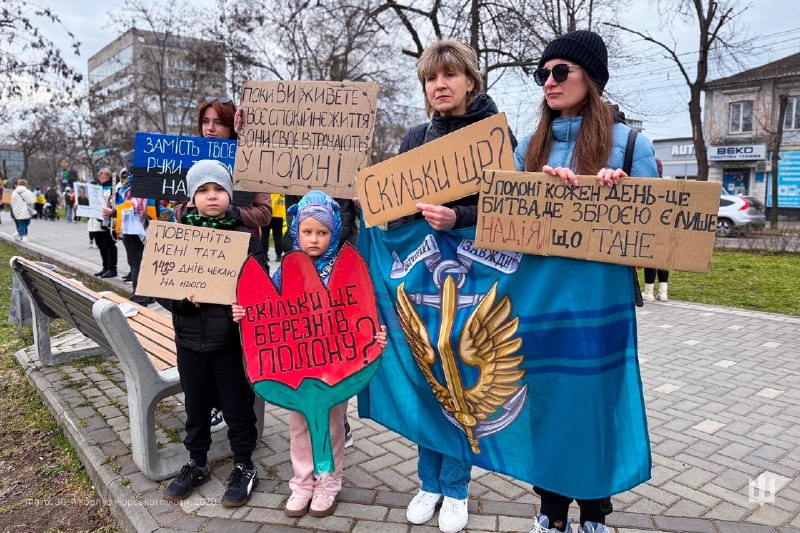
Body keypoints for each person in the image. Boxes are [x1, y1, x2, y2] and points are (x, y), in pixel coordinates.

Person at [515, 30, 657, 533]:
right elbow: (503, 226)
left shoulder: (632, 145)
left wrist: (624, 193)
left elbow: (656, 232)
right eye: (542, 74)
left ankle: (595, 511)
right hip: (541, 300)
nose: (549, 82)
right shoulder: (526, 147)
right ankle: (551, 509)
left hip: (601, 303)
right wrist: (536, 190)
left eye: (560, 71)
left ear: (591, 79)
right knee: (546, 399)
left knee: (597, 402)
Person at [389, 40, 515, 533]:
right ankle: (429, 482)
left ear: (470, 81)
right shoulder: (415, 138)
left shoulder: (495, 136)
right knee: (429, 379)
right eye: (430, 79)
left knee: (460, 375)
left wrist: (458, 216)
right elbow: (398, 213)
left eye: (448, 76)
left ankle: (457, 488)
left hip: (476, 277)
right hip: (424, 277)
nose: (438, 86)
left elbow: (511, 207)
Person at [234, 190, 387, 518]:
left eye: (322, 232)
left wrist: (375, 336)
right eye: (307, 231)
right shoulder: (284, 270)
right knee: (299, 425)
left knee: (332, 423)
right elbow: (267, 306)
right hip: (296, 368)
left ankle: (329, 481)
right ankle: (302, 482)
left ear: (334, 233)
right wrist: (245, 312)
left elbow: (362, 306)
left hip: (337, 366)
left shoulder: (343, 267)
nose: (314, 239)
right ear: (296, 232)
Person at [159, 159, 264, 507]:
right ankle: (197, 462)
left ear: (230, 193)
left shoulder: (246, 238)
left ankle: (244, 464)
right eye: (203, 190)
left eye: (219, 188)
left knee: (237, 406)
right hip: (189, 341)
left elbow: (260, 285)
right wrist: (184, 303)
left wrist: (245, 306)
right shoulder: (177, 237)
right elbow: (161, 287)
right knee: (196, 405)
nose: (212, 196)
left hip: (230, 343)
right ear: (192, 197)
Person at [642, 158, 670, 302]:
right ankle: (663, 293)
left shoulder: (648, 186)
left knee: (650, 260)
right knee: (663, 260)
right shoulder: (668, 187)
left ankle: (649, 292)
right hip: (666, 228)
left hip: (650, 227)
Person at [89, 169, 118, 278]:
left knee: (109, 244)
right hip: (96, 221)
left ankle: (112, 268)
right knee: (100, 244)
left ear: (110, 178)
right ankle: (105, 267)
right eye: (102, 177)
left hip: (107, 221)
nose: (104, 179)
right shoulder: (96, 188)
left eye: (106, 177)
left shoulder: (113, 188)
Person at [261, 193, 285, 262]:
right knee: (278, 236)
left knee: (264, 236)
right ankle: (278, 255)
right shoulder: (280, 190)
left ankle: (264, 255)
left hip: (266, 214)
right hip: (278, 215)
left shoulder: (266, 190)